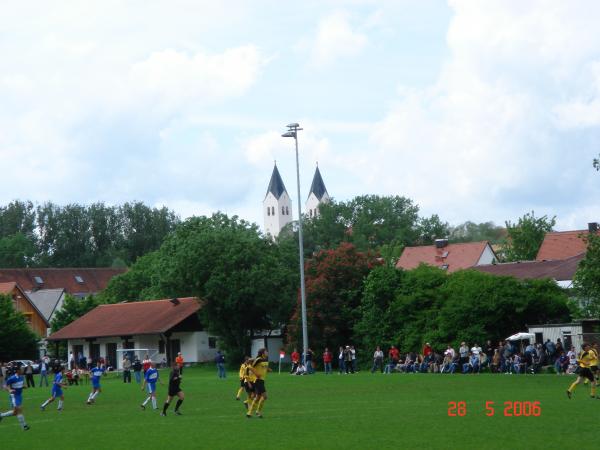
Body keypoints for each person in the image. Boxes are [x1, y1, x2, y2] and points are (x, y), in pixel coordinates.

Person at [0, 366, 30, 430]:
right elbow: (4, 386)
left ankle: (1, 415)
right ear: (17, 371)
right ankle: (24, 426)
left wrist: (23, 386)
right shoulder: (12, 378)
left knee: (15, 412)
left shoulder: (22, 377)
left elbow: (20, 385)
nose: (22, 370)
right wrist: (9, 390)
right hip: (14, 396)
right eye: (21, 369)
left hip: (19, 396)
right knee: (19, 409)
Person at [246, 348, 271, 419]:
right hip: (258, 380)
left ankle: (249, 413)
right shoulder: (258, 359)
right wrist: (256, 374)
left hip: (262, 380)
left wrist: (268, 369)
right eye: (266, 351)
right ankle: (257, 412)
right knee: (264, 396)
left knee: (258, 397)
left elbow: (264, 367)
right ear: (262, 353)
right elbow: (250, 367)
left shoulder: (265, 360)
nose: (267, 352)